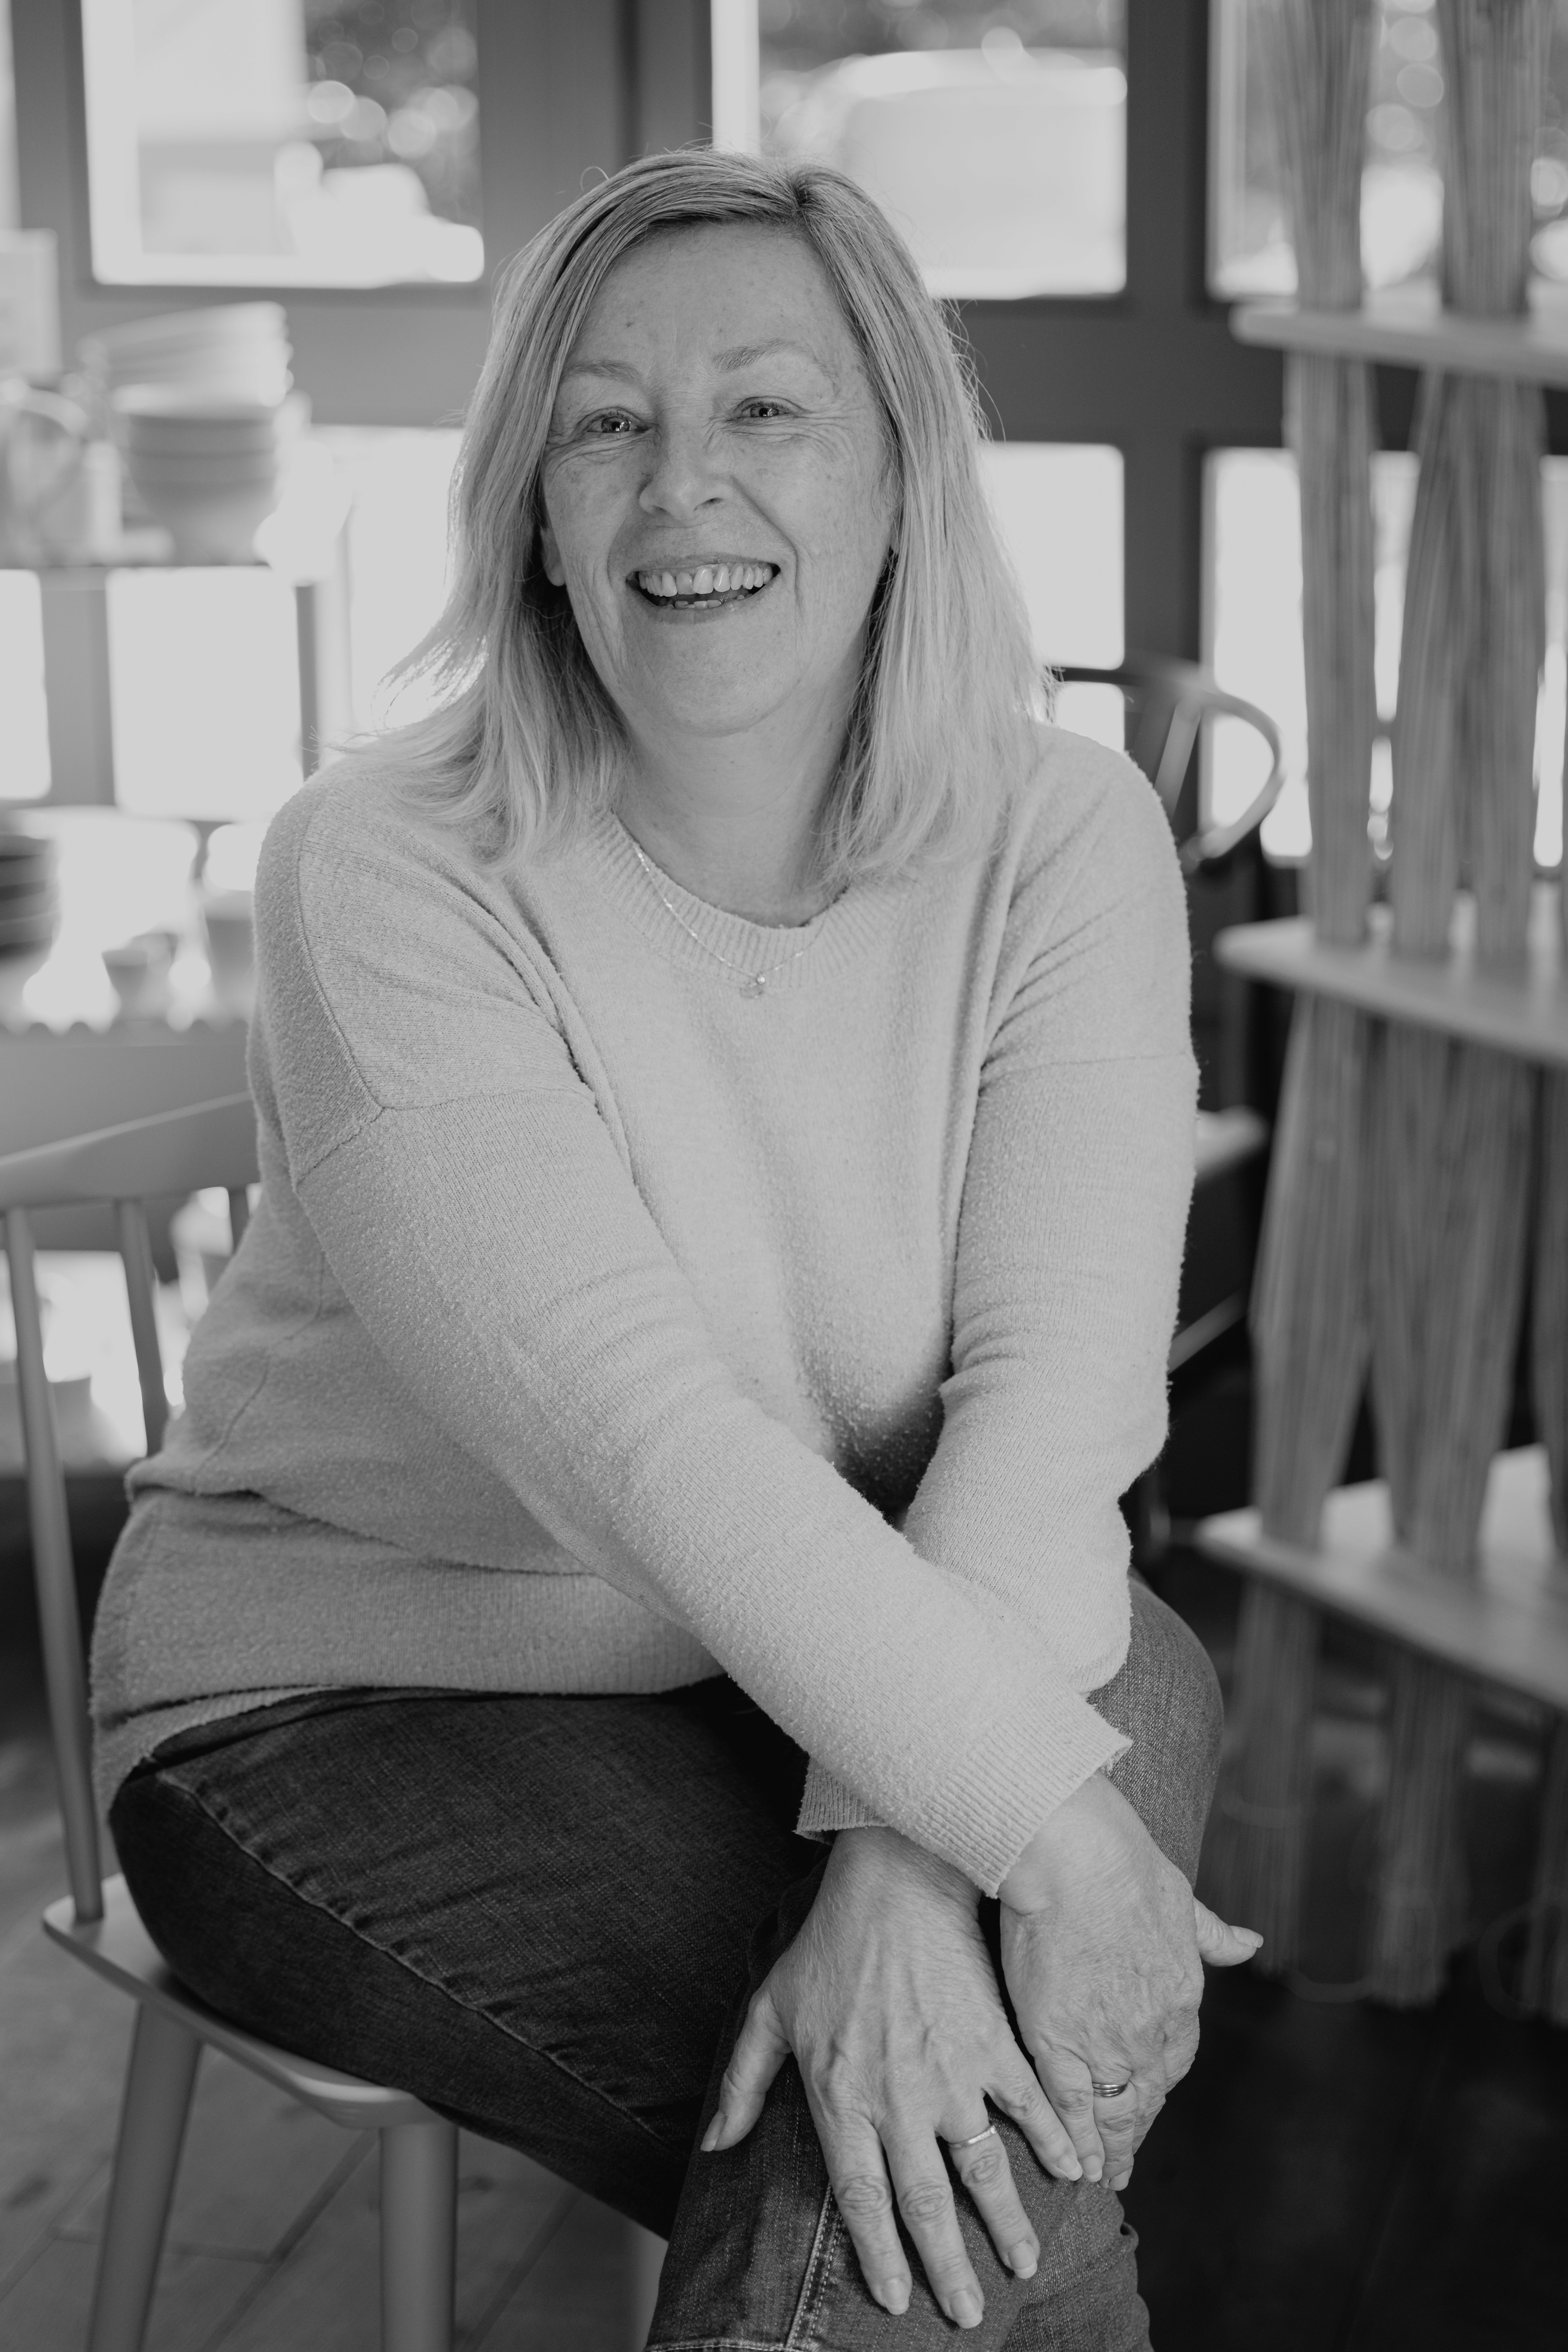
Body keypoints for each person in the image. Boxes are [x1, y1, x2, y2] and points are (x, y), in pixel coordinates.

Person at [93, 149, 1261, 2348]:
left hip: (779, 1653)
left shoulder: (1066, 835)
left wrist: (908, 1858)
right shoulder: (384, 866)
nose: (678, 486)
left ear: (904, 470)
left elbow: (1058, 1392)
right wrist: (1038, 1830)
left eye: (765, 409)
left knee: (1076, 1796)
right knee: (983, 2130)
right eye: (604, 424)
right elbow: (645, 1442)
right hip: (350, 1695)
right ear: (532, 512)